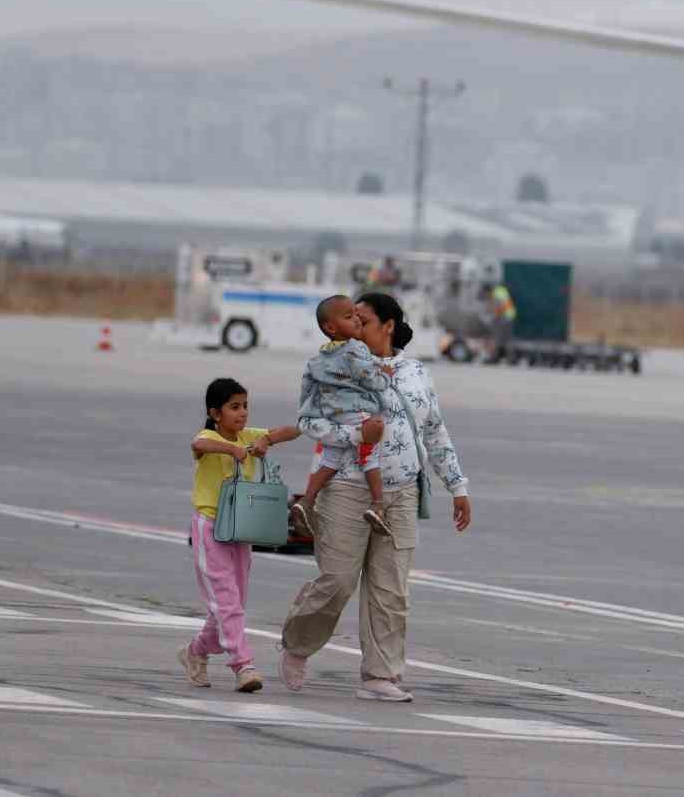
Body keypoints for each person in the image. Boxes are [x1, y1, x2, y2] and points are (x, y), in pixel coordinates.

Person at [279, 292, 472, 702]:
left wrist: (457, 486)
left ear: (388, 325)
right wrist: (353, 436)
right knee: (337, 581)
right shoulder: (329, 365)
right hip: (347, 489)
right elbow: (307, 421)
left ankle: (380, 675)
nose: (355, 326)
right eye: (350, 319)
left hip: (400, 493)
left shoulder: (416, 372)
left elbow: (435, 431)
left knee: (391, 589)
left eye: (362, 320)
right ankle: (297, 645)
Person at [178, 377, 300, 692]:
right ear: (216, 413)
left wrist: (268, 441)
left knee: (232, 602)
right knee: (226, 601)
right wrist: (234, 449)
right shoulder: (210, 435)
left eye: (245, 406)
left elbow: (293, 430)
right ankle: (242, 664)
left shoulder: (250, 435)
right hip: (210, 527)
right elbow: (198, 444)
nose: (242, 413)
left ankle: (196, 652)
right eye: (234, 407)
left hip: (239, 530)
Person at [295, 295, 395, 540]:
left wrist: (311, 410)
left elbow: (307, 390)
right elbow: (370, 379)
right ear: (330, 327)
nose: (357, 320)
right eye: (350, 317)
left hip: (333, 416)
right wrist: (386, 376)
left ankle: (307, 500)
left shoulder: (318, 359)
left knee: (330, 459)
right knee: (370, 458)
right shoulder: (356, 348)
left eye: (357, 315)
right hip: (358, 413)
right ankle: (378, 504)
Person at [482, 280, 516, 363]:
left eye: (485, 293)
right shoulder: (500, 291)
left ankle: (494, 358)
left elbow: (498, 307)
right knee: (506, 339)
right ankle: (511, 358)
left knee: (496, 338)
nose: (486, 295)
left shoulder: (496, 293)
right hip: (509, 316)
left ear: (488, 291)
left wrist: (492, 317)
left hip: (504, 317)